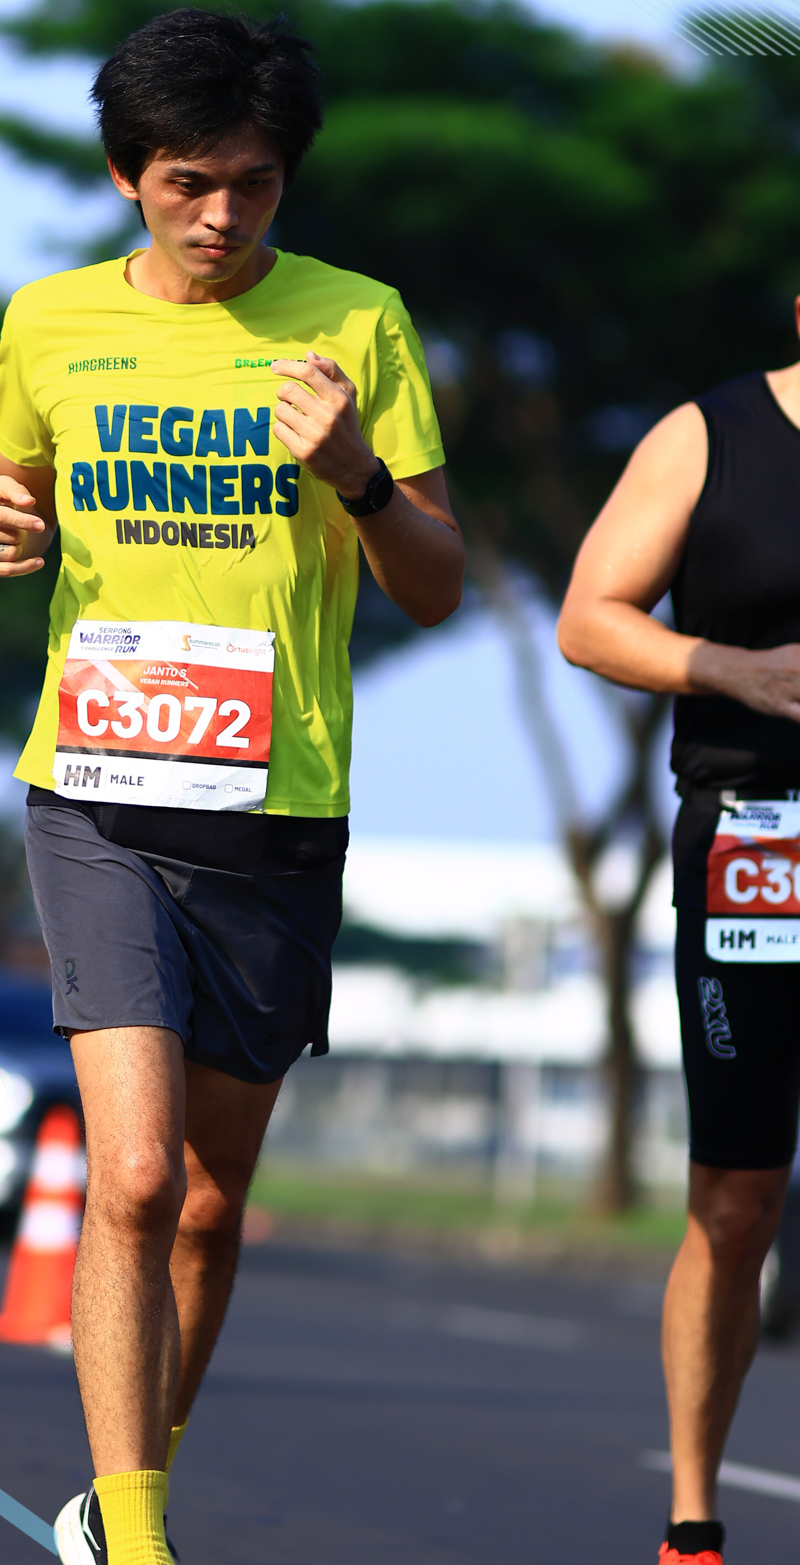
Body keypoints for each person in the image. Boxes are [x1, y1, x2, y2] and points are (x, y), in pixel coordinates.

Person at [0, 8, 465, 1565]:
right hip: (95, 796)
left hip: (273, 813)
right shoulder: (49, 323)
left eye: (255, 182)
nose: (225, 214)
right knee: (128, 1177)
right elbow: (6, 495)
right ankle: (133, 1538)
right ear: (128, 175)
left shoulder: (359, 323)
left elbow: (436, 585)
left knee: (205, 1203)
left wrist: (358, 475)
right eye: (191, 181)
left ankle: (131, 1491)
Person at [558, 305, 800, 1565]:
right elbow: (586, 616)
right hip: (757, 845)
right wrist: (730, 669)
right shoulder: (711, 434)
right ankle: (692, 1517)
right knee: (736, 1197)